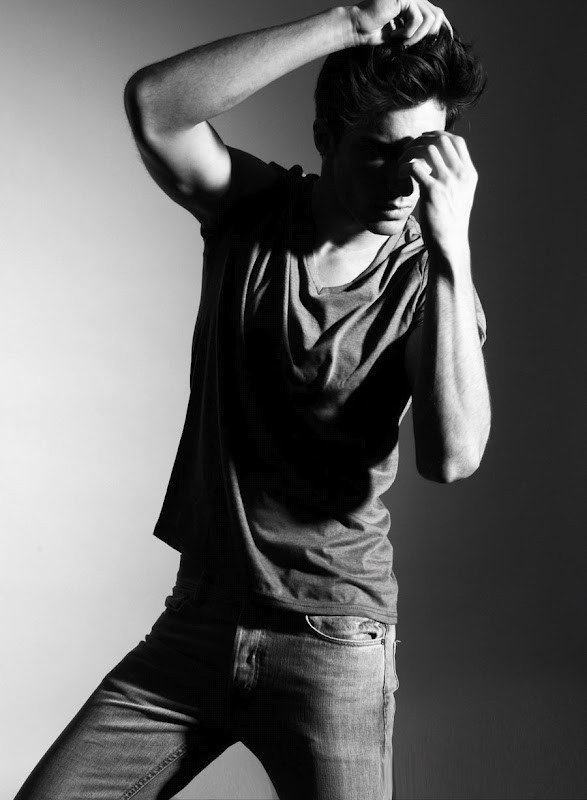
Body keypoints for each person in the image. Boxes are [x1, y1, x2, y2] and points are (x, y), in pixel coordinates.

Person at [14, 0, 491, 798]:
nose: (403, 182)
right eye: (378, 153)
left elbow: (452, 458)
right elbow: (156, 104)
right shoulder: (252, 211)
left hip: (332, 638)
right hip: (197, 623)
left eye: (422, 155)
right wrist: (348, 22)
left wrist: (452, 251)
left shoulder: (429, 283)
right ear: (327, 137)